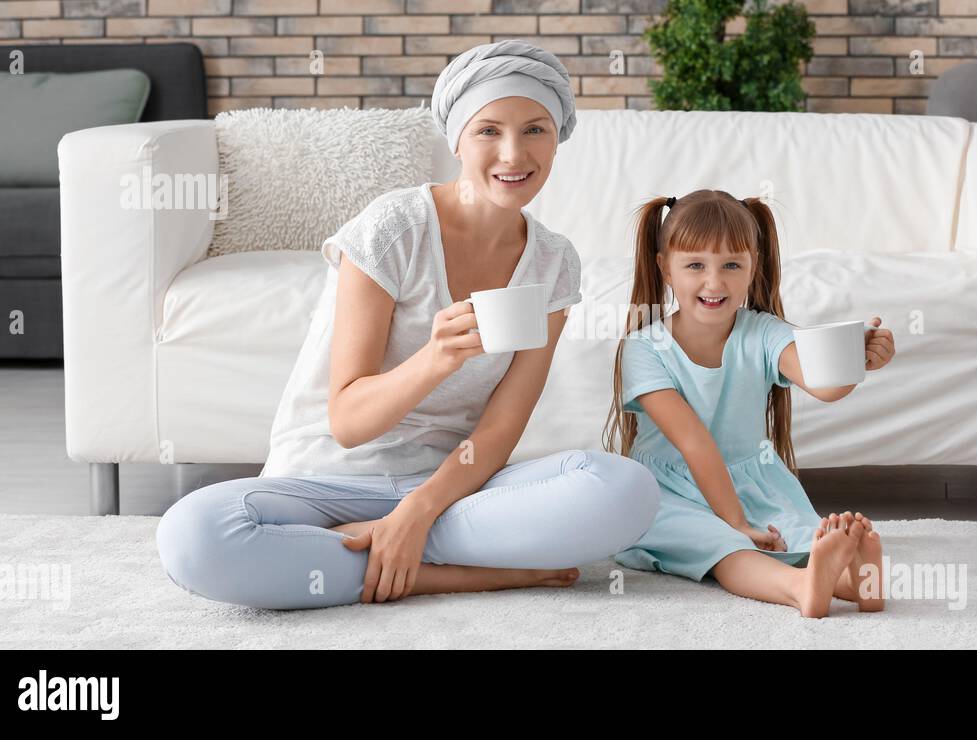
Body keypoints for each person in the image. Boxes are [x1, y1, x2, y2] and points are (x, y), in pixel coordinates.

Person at [157, 40, 660, 610]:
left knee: (626, 490)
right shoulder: (394, 228)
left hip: (451, 488)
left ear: (558, 137)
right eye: (488, 130)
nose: (513, 154)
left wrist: (417, 512)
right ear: (457, 139)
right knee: (194, 536)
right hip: (326, 480)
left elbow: (500, 430)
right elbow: (348, 421)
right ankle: (466, 573)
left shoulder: (553, 262)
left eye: (536, 129)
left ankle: (383, 548)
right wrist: (436, 359)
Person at [603, 189, 896, 618]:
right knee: (724, 546)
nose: (714, 282)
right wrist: (735, 523)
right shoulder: (644, 349)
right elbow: (693, 442)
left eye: (732, 265)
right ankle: (801, 588)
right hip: (668, 491)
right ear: (665, 267)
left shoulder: (764, 332)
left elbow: (823, 385)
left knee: (795, 535)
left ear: (752, 267)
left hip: (752, 480)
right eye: (696, 265)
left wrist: (858, 360)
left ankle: (853, 581)